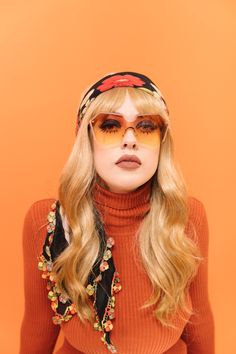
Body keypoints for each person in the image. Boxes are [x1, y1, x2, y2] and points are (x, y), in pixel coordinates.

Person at [19, 71, 215, 354]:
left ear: (162, 142)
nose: (130, 140)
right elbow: (38, 327)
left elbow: (200, 321)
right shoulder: (48, 221)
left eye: (146, 126)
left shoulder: (185, 215)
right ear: (86, 139)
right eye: (110, 125)